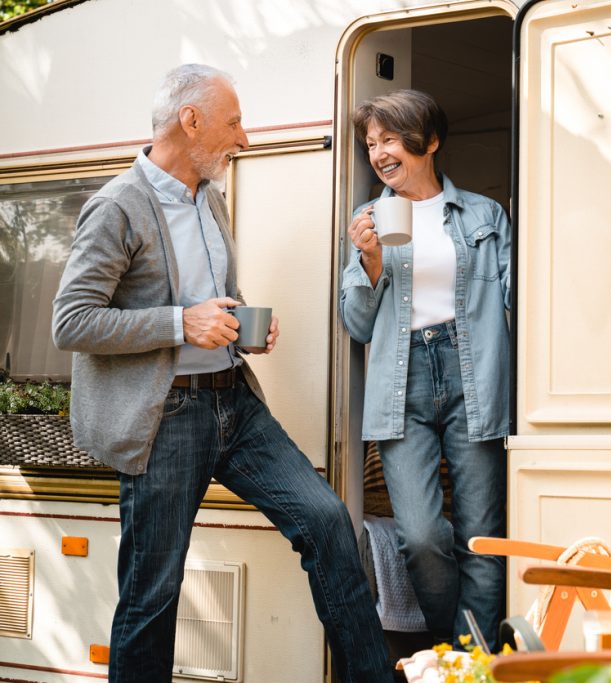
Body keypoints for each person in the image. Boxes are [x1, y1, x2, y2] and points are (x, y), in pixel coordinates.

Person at [51, 64, 389, 682]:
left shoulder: (211, 198)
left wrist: (236, 327)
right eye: (234, 122)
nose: (245, 137)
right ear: (191, 121)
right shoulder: (117, 207)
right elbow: (72, 323)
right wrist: (183, 324)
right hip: (165, 418)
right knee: (152, 593)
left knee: (327, 520)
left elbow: (209, 300)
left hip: (233, 401)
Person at [340, 90, 511, 650]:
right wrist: (370, 262)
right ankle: (452, 640)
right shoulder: (367, 221)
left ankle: (470, 661)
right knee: (420, 537)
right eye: (371, 143)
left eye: (390, 139)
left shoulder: (485, 216)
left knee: (482, 539)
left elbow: (519, 304)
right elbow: (357, 325)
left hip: (474, 373)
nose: (380, 153)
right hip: (400, 380)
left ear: (429, 142)